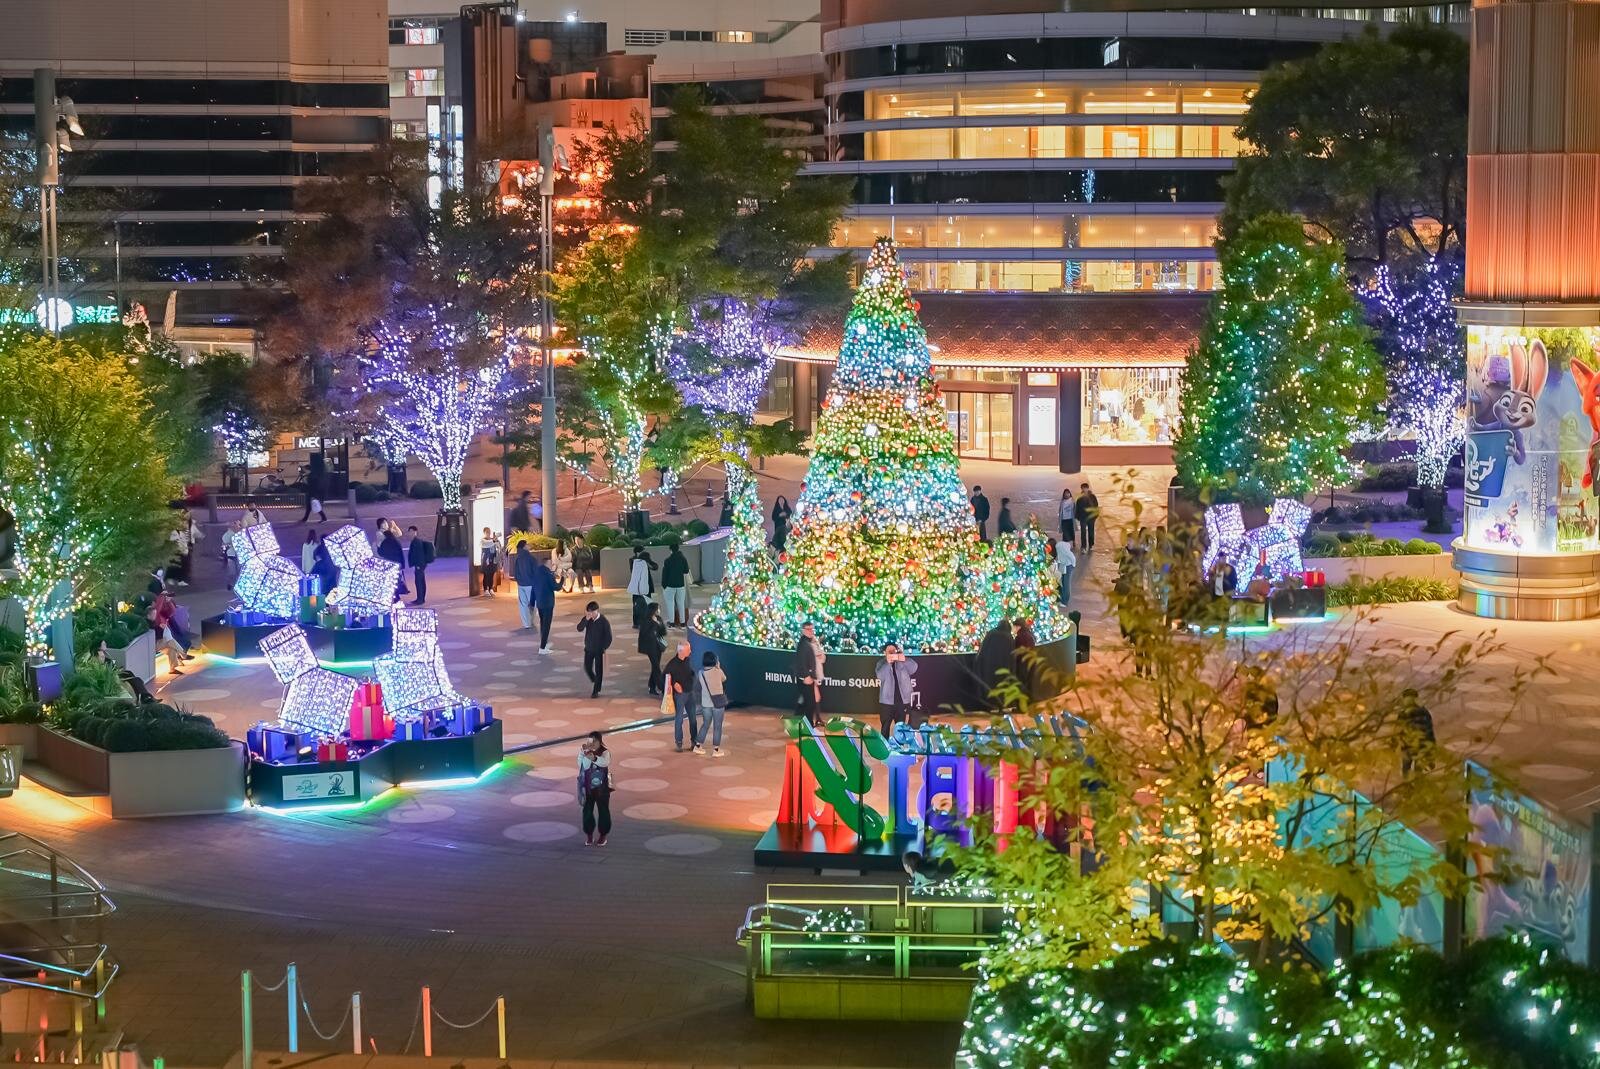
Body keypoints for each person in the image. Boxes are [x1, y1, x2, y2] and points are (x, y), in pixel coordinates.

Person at [577, 730, 613, 846]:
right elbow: (582, 765)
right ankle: (589, 835)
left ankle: (603, 835)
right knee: (587, 811)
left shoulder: (605, 752)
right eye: (590, 741)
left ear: (600, 741)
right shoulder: (585, 751)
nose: (592, 744)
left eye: (595, 741)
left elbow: (605, 763)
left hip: (602, 788)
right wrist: (585, 755)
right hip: (588, 787)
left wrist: (595, 758)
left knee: (603, 811)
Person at [875, 643, 918, 737]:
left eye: (893, 651)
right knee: (885, 727)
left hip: (902, 702)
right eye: (889, 651)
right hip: (886, 702)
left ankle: (900, 747)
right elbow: (880, 676)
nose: (891, 653)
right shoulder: (881, 663)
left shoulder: (902, 661)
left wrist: (904, 659)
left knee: (901, 727)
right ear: (884, 653)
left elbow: (914, 668)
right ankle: (885, 748)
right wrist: (888, 663)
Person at [663, 641, 699, 752]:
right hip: (680, 695)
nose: (691, 652)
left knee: (693, 718)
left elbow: (692, 672)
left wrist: (693, 679)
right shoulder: (672, 664)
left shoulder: (687, 660)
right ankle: (679, 742)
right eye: (688, 650)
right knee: (679, 719)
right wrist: (674, 684)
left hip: (690, 693)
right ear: (681, 651)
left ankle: (694, 741)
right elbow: (664, 677)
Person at [149, 589, 192, 674]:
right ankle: (183, 654)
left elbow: (171, 612)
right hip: (154, 643)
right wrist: (161, 598)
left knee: (171, 647)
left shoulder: (163, 610)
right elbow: (157, 611)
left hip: (161, 638)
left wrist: (168, 601)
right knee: (169, 641)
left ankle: (173, 668)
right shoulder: (152, 616)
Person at [576, 601, 612, 698]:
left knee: (598, 669)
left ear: (596, 611)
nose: (590, 614)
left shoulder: (604, 621)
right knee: (587, 667)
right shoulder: (588, 619)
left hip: (599, 649)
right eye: (588, 612)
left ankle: (596, 690)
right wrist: (586, 620)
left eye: (591, 612)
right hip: (588, 648)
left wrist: (604, 647)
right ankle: (595, 680)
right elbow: (579, 628)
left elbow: (609, 636)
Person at [697, 650, 729, 757]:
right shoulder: (717, 671)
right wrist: (718, 667)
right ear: (714, 661)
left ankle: (698, 746)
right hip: (718, 703)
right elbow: (724, 679)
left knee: (705, 724)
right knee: (717, 726)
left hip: (706, 704)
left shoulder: (700, 673)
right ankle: (716, 750)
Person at [975, 618, 1014, 700]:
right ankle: (1000, 706)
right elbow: (1012, 655)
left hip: (989, 665)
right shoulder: (1009, 637)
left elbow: (983, 648)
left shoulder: (991, 633)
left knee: (990, 685)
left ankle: (989, 704)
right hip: (1003, 667)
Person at [1399, 688, 1435, 777]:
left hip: (1415, 746)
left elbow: (1428, 730)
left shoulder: (1419, 713)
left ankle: (1412, 786)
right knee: (1411, 769)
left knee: (1411, 769)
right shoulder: (1423, 712)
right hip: (1414, 746)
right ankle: (1412, 786)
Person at [794, 621, 825, 724]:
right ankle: (806, 727)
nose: (811, 631)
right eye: (808, 629)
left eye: (812, 629)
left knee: (808, 702)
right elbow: (801, 662)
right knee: (809, 703)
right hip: (805, 678)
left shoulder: (810, 642)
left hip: (810, 677)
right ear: (803, 631)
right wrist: (806, 676)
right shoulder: (803, 644)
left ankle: (805, 726)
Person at [530, 549, 558, 653]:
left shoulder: (538, 573)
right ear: (547, 564)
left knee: (542, 623)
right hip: (548, 603)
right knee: (546, 625)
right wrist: (563, 579)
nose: (552, 565)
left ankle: (544, 643)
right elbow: (556, 587)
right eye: (551, 563)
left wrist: (532, 602)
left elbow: (533, 588)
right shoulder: (548, 574)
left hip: (540, 603)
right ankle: (542, 648)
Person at [661, 541, 692, 628]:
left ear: (670, 550)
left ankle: (672, 623)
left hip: (670, 586)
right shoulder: (683, 559)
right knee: (681, 604)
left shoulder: (667, 560)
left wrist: (664, 585)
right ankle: (682, 624)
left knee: (670, 604)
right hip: (680, 585)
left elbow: (665, 574)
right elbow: (686, 571)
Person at [626, 543, 657, 629]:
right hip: (637, 586)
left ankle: (646, 621)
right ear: (637, 552)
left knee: (647, 604)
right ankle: (636, 623)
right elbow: (633, 571)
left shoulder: (646, 559)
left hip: (647, 585)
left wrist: (647, 563)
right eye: (642, 551)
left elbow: (655, 566)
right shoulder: (632, 560)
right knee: (636, 605)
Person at [639, 604, 668, 696]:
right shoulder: (646, 620)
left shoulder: (658, 618)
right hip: (649, 647)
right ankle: (662, 687)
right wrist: (654, 623)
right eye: (657, 609)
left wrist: (659, 624)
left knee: (655, 666)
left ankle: (651, 686)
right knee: (656, 667)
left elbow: (663, 632)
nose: (658, 610)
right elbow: (646, 633)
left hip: (658, 646)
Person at [169, 508, 202, 587]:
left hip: (188, 547)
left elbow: (196, 534)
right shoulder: (177, 527)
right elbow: (173, 537)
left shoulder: (191, 525)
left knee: (185, 564)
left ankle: (182, 579)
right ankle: (174, 577)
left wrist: (199, 537)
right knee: (176, 563)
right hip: (178, 547)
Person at [376, 520, 408, 598]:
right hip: (390, 560)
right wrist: (391, 530)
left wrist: (395, 526)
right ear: (380, 525)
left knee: (395, 578)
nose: (386, 524)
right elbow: (385, 539)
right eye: (384, 523)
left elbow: (399, 533)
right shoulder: (379, 533)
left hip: (392, 560)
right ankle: (395, 594)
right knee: (393, 578)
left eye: (386, 522)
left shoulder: (389, 535)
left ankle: (396, 594)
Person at [512, 541, 540, 630]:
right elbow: (536, 571)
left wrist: (518, 580)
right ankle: (532, 620)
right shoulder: (530, 558)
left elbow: (515, 571)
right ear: (524, 547)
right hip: (530, 584)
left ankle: (526, 623)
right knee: (534, 604)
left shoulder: (518, 557)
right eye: (527, 544)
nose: (529, 545)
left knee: (523, 604)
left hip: (521, 584)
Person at [406, 525, 435, 606]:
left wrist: (418, 565)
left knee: (419, 582)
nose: (410, 533)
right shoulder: (416, 541)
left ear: (415, 532)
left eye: (411, 532)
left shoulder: (416, 542)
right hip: (420, 565)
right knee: (421, 581)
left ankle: (420, 599)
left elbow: (419, 555)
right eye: (409, 532)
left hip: (419, 565)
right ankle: (421, 598)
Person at [1075, 483, 1099, 551]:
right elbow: (1077, 507)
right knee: (1083, 532)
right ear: (1081, 489)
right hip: (1083, 518)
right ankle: (1083, 546)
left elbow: (1096, 506)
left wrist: (1095, 516)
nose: (1084, 489)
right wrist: (1078, 517)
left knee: (1091, 531)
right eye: (1083, 488)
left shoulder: (1092, 496)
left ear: (1088, 488)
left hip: (1091, 517)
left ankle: (1091, 545)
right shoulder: (1080, 498)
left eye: (1086, 488)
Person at [478, 527, 502, 596]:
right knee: (486, 574)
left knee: (491, 574)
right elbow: (487, 544)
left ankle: (491, 588)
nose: (488, 533)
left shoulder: (493, 539)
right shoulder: (482, 540)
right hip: (486, 560)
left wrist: (497, 540)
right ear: (484, 532)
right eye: (487, 532)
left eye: (489, 532)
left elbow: (498, 547)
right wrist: (494, 541)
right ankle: (485, 589)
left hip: (493, 559)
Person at [1054, 538, 1077, 605]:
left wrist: (1073, 565)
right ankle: (1062, 599)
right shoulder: (1062, 549)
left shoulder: (1062, 549)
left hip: (1067, 566)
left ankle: (1064, 601)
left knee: (1066, 583)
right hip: (1063, 565)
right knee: (1062, 582)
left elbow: (1072, 558)